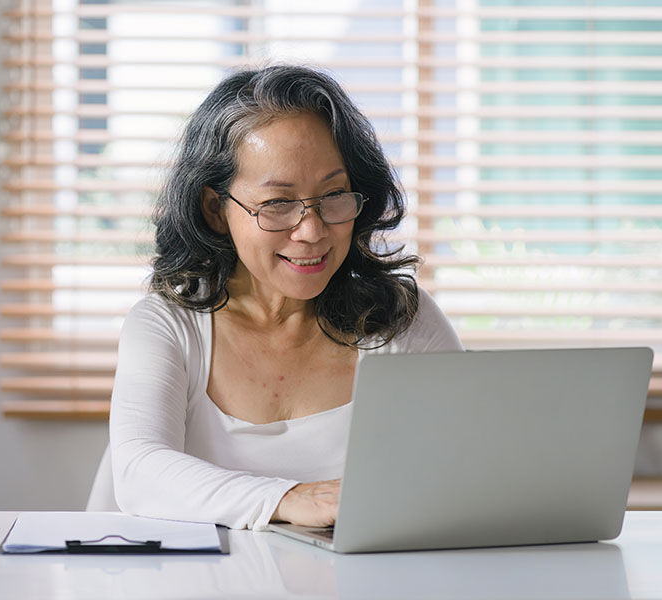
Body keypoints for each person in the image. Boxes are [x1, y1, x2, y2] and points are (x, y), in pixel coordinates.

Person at [109, 65, 463, 530]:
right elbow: (138, 472)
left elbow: (467, 469)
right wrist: (289, 498)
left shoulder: (400, 320)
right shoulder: (168, 326)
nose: (312, 231)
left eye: (334, 194)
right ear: (215, 209)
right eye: (277, 203)